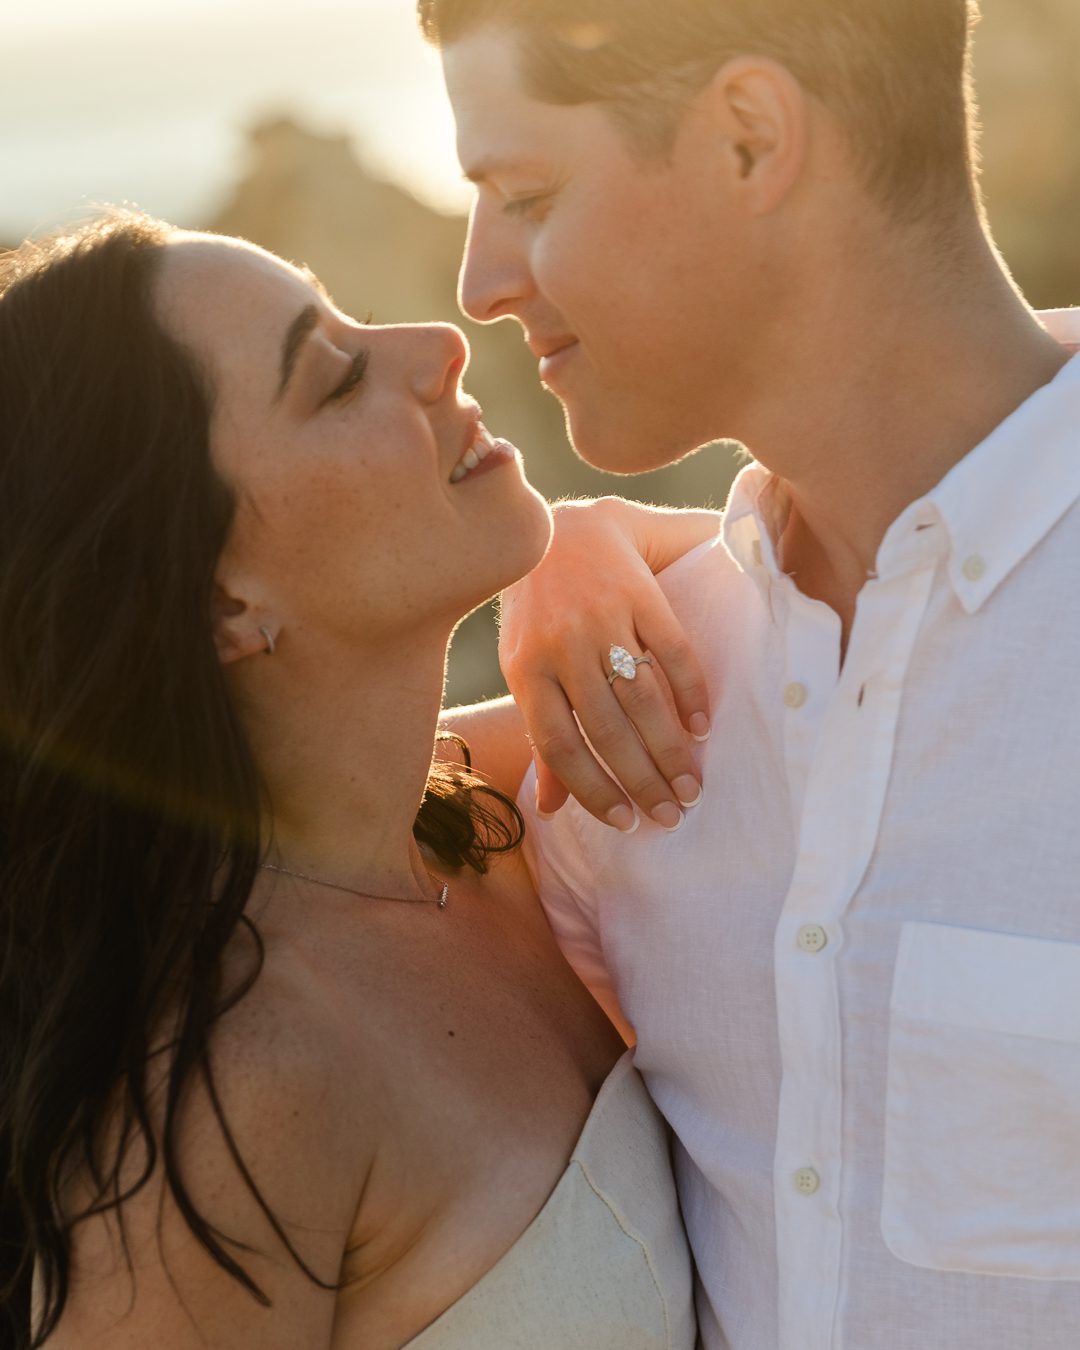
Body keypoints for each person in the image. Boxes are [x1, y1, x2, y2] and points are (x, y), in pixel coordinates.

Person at [419, 0, 1080, 1346]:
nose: (479, 281)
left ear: (747, 137)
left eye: (526, 192)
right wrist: (569, 548)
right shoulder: (629, 719)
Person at [0, 212, 697, 1350]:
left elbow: (877, 610)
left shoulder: (509, 812)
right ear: (226, 606)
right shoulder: (237, 1095)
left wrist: (592, 536)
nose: (436, 346)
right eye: (331, 380)